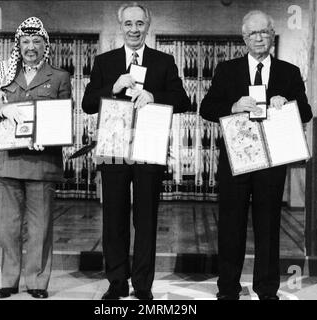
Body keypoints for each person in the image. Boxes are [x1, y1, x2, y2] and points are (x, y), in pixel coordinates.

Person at [200, 10, 313, 300]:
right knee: (230, 226)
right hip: (236, 161)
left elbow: (307, 112)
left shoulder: (289, 72)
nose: (259, 38)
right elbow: (207, 108)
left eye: (264, 32)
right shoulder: (227, 70)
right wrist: (234, 105)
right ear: (244, 38)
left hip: (272, 163)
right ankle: (227, 288)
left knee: (268, 226)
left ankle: (267, 289)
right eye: (253, 33)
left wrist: (286, 102)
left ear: (272, 35)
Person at [82, 2, 190, 300]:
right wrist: (113, 88)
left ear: (148, 25)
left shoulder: (163, 61)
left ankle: (143, 285)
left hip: (148, 146)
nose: (134, 29)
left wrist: (154, 96)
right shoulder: (105, 62)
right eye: (128, 23)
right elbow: (88, 103)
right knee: (113, 217)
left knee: (146, 218)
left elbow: (183, 100)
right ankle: (117, 281)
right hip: (113, 148)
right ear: (121, 26)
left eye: (139, 23)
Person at [0, 17, 71, 299]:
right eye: (25, 42)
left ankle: (37, 283)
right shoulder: (4, 72)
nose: (30, 47)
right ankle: (8, 281)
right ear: (18, 45)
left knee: (40, 227)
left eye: (36, 42)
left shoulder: (59, 77)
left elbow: (62, 118)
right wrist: (1, 109)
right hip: (7, 161)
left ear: (45, 45)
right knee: (6, 226)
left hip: (42, 162)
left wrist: (49, 137)